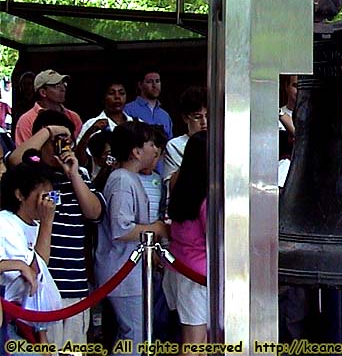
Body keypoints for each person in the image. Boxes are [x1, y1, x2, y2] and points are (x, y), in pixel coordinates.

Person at [8, 110, 106, 350]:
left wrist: (73, 173)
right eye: (53, 142)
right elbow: (14, 160)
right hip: (42, 286)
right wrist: (49, 131)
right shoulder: (29, 174)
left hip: (75, 283)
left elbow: (94, 212)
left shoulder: (79, 174)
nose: (59, 146)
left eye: (65, 140)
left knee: (74, 350)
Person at [96, 121, 170, 354]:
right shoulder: (122, 180)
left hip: (130, 272)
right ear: (136, 151)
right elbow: (121, 229)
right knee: (135, 335)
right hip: (123, 272)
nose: (155, 150)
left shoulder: (128, 178)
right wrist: (156, 228)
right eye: (150, 144)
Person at [0, 158, 58, 350]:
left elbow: (41, 281)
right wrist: (48, 222)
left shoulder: (37, 225)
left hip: (29, 321)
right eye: (43, 196)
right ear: (19, 194)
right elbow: (36, 268)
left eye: (51, 196)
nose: (48, 202)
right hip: (8, 321)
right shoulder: (5, 222)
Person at [167, 131, 209, 352]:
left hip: (180, 269)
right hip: (199, 277)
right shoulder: (207, 198)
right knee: (195, 344)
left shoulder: (180, 185)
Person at [75, 81, 133, 169]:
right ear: (103, 98)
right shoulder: (92, 124)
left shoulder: (136, 123)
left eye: (121, 93)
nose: (117, 97)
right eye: (111, 93)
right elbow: (81, 159)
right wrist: (90, 132)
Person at [14, 70, 83, 145]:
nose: (63, 89)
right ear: (43, 92)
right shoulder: (26, 121)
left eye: (64, 84)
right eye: (57, 86)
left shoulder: (73, 117)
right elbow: (24, 154)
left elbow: (79, 149)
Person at [163, 86, 207, 192]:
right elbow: (171, 187)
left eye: (208, 116)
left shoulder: (221, 142)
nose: (204, 122)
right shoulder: (174, 145)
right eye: (197, 117)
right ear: (185, 118)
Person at [124, 70, 173, 139]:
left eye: (157, 81)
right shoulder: (128, 110)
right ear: (140, 85)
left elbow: (169, 143)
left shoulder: (165, 115)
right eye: (149, 82)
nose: (154, 85)